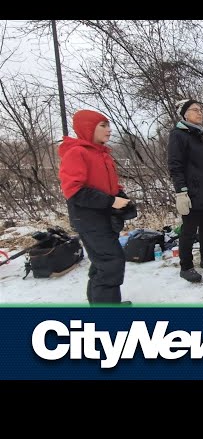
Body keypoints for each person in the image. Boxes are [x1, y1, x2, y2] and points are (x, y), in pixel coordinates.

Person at [58, 109, 137, 305]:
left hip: (104, 218)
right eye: (103, 125)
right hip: (88, 219)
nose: (109, 130)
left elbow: (110, 186)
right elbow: (74, 191)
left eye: (108, 125)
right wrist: (111, 201)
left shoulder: (102, 154)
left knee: (101, 263)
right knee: (111, 263)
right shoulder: (77, 152)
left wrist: (122, 198)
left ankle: (100, 304)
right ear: (87, 128)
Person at [168, 99, 203, 283]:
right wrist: (181, 192)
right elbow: (175, 166)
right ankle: (186, 266)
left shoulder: (199, 136)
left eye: (201, 110)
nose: (200, 113)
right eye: (195, 110)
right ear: (185, 114)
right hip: (191, 192)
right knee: (189, 230)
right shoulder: (178, 135)